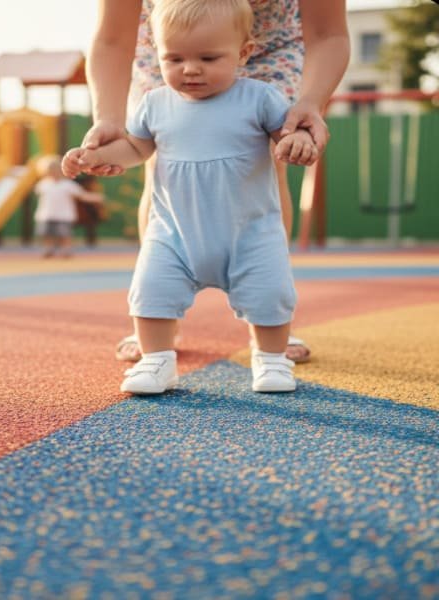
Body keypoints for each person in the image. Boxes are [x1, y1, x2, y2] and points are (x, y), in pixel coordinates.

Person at [63, 0, 318, 394]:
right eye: (175, 58)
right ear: (156, 53)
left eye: (207, 57)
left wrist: (298, 138)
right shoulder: (155, 103)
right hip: (175, 233)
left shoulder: (261, 98)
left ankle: (270, 359)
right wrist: (96, 156)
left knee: (270, 290)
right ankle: (156, 360)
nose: (191, 68)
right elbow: (135, 149)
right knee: (151, 290)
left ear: (244, 53)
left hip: (249, 231)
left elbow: (285, 134)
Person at [34, 155, 104, 258]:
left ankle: (66, 250)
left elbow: (82, 195)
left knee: (64, 234)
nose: (53, 173)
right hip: (46, 214)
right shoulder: (43, 184)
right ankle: (48, 249)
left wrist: (95, 198)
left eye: (56, 170)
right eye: (50, 170)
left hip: (64, 215)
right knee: (46, 233)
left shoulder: (67, 185)